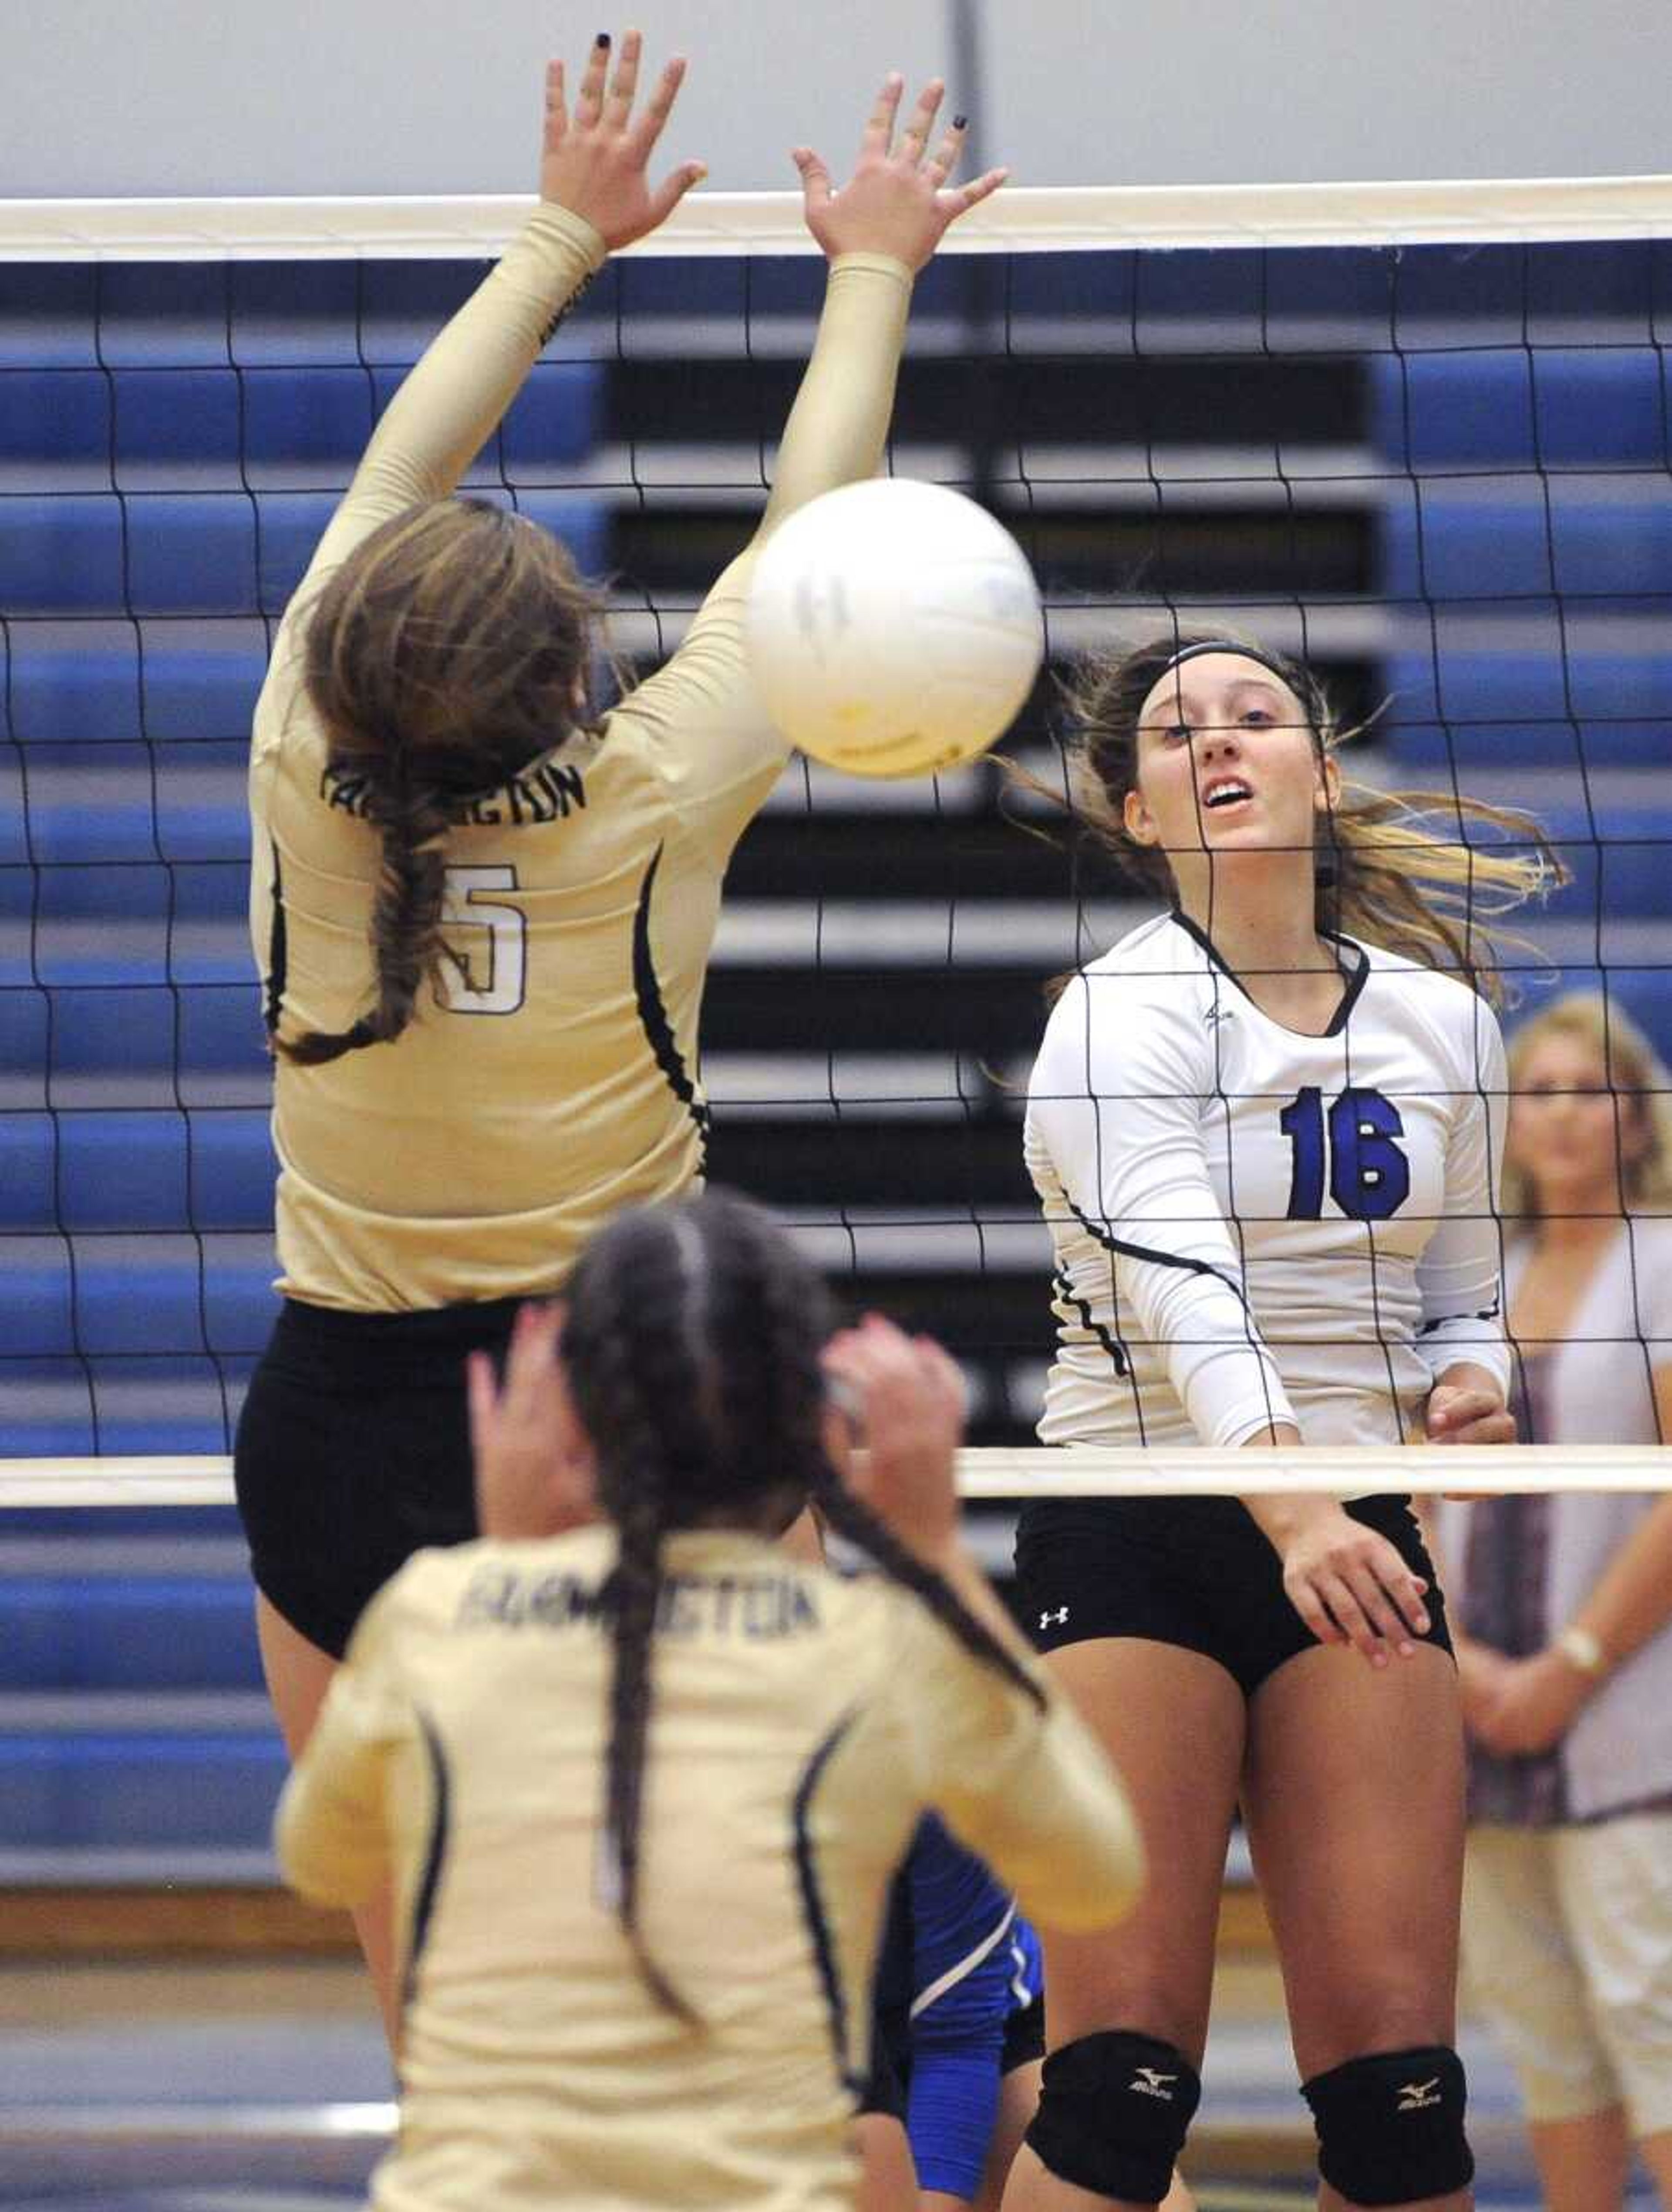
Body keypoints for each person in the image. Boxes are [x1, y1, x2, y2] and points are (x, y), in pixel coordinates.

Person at [235, 30, 1005, 2032]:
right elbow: (812, 530)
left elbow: (391, 483)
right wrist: (873, 264)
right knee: (710, 1955)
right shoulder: (649, 793)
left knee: (443, 2013)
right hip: (631, 1398)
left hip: (333, 1424)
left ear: (354, 664)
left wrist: (559, 230)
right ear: (566, 673)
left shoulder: (296, 760)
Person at [274, 1188, 1143, 2212]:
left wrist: (505, 1565)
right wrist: (938, 1559)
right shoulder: (872, 1652)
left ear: (564, 1412)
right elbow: (1098, 1874)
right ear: (814, 1429)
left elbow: (318, 1857)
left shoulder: (435, 1618)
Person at [1000, 633, 1551, 2212]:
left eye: (1259, 717)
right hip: (1141, 1524)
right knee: (1117, 2092)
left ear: (1320, 770)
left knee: (1401, 2106)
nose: (1222, 743)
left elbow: (1460, 1294)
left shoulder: (1443, 1024)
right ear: (1136, 809)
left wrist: (1469, 1388)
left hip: (1351, 1534)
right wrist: (1296, 1505)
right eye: (1179, 733)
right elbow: (1185, 1295)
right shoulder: (1120, 1015)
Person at [1437, 993, 1672, 2212]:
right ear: (1509, 1123)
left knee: (1654, 2010)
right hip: (1481, 1716)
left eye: (1595, 1090)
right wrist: (1468, 1668)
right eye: (1543, 1090)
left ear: (1638, 1120)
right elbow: (1422, 1494)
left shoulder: (1667, 1261)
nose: (1568, 1113)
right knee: (1544, 2028)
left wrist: (1570, 1667)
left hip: (1628, 1709)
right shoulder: (1483, 1279)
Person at [865, 1814, 1046, 2211]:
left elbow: (959, 2041)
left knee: (1110, 2155)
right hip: (801, 2025)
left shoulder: (950, 1784)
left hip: (983, 2019)